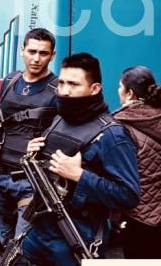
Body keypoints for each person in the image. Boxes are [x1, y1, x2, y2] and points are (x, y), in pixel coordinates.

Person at [17, 53, 140, 266]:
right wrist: (33, 153)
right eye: (62, 83)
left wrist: (79, 175)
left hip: (77, 237)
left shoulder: (113, 135)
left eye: (73, 84)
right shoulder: (59, 119)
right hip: (38, 230)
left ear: (94, 89)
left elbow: (128, 195)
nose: (64, 91)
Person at [0, 28, 58, 246]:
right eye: (32, 51)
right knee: (6, 238)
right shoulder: (10, 80)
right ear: (22, 51)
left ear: (52, 55)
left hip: (32, 179)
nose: (36, 58)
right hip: (1, 173)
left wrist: (48, 143)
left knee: (23, 244)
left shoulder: (57, 90)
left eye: (44, 53)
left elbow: (69, 133)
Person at [113, 66, 161, 259]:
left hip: (140, 215)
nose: (118, 91)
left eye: (120, 86)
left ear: (129, 93)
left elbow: (120, 175)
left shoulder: (123, 126)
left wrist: (115, 217)